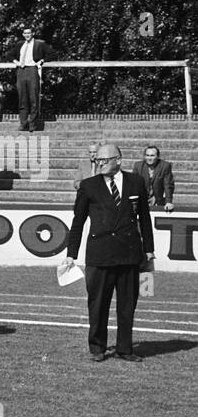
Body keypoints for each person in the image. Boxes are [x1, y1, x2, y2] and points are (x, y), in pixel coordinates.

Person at [63, 143, 154, 362]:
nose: (100, 164)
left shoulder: (136, 182)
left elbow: (144, 218)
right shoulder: (88, 186)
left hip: (129, 253)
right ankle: (97, 348)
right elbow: (78, 222)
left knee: (127, 305)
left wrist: (149, 250)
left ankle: (125, 348)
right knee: (97, 304)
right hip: (99, 255)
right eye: (97, 161)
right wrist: (71, 254)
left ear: (118, 160)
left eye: (104, 160)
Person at [11, 26, 50, 132]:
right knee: (22, 98)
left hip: (32, 70)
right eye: (25, 33)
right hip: (21, 70)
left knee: (33, 97)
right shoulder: (20, 44)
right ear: (23, 34)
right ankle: (23, 123)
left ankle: (33, 123)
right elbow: (10, 55)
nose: (27, 35)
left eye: (29, 33)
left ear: (33, 33)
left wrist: (42, 61)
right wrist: (16, 62)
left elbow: (52, 53)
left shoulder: (39, 43)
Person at [132, 146, 175, 212]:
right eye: (147, 155)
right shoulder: (138, 166)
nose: (149, 158)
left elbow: (168, 185)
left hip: (158, 199)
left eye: (152, 156)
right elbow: (134, 184)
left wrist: (168, 202)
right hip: (142, 199)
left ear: (158, 156)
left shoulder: (165, 166)